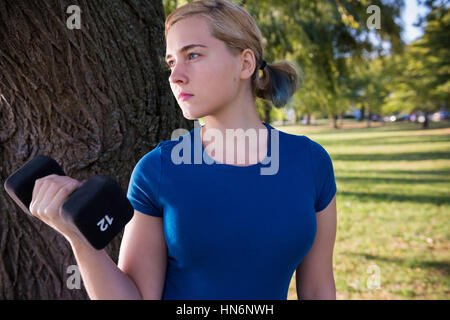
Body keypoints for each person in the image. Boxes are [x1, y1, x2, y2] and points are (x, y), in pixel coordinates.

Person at [29, 0, 337, 300]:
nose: (175, 76)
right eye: (172, 62)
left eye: (193, 55)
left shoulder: (310, 163)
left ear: (245, 63)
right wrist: (78, 238)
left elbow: (317, 291)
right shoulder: (158, 170)